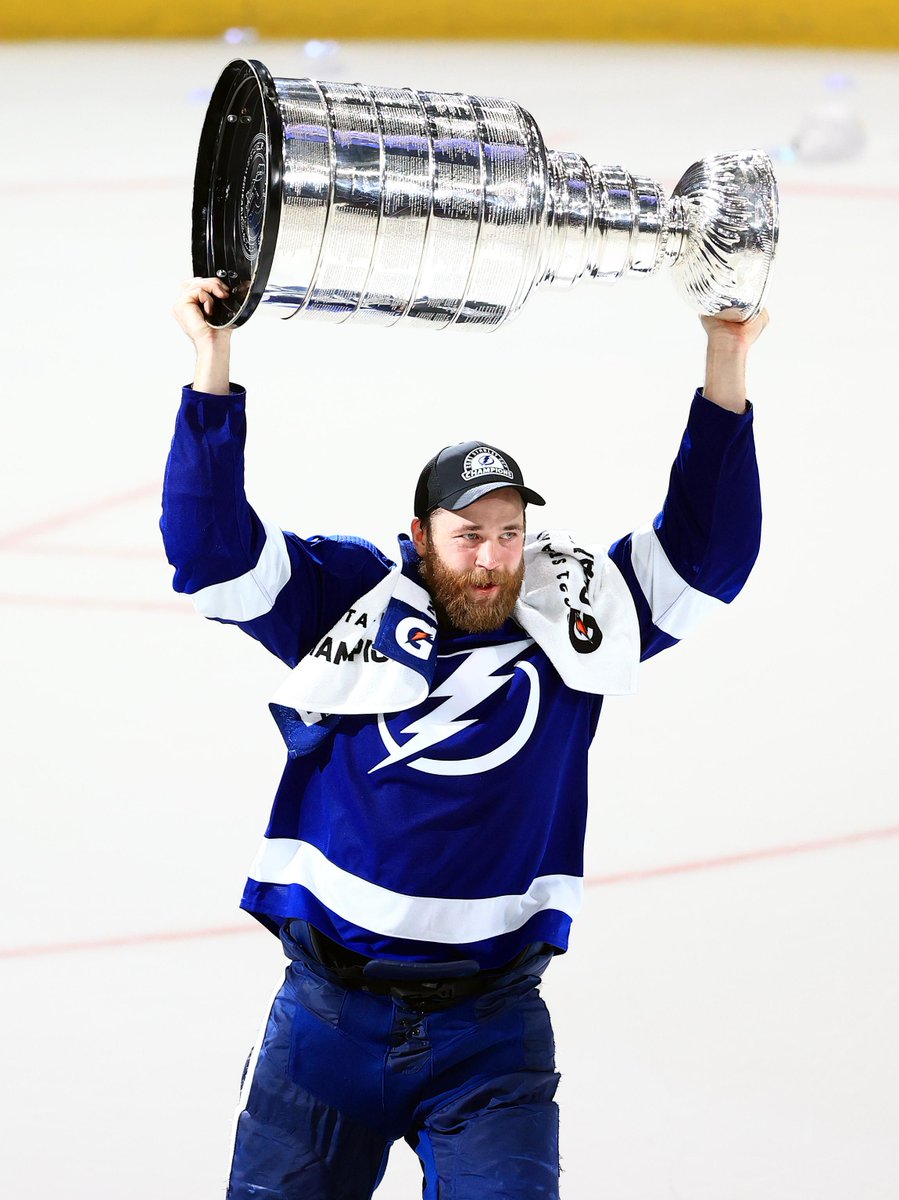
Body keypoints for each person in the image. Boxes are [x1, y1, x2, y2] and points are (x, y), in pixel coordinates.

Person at [162, 275, 767, 1200]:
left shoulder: (575, 617)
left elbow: (706, 555)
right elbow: (210, 553)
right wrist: (212, 367)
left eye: (508, 534)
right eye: (467, 534)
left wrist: (725, 359)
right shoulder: (350, 599)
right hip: (325, 1025)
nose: (490, 558)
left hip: (491, 1033)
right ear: (419, 533)